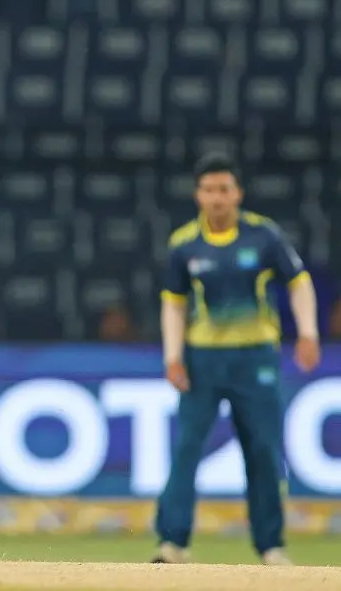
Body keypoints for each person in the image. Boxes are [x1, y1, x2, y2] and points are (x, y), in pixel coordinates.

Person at [153, 154, 321, 566]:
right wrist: (173, 356)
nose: (217, 198)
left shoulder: (264, 235)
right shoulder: (184, 243)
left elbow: (299, 282)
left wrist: (308, 332)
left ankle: (271, 546)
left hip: (255, 357)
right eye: (209, 190)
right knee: (187, 447)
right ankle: (172, 543)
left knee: (263, 448)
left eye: (224, 189)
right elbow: (173, 304)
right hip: (202, 359)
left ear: (238, 194)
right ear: (198, 195)